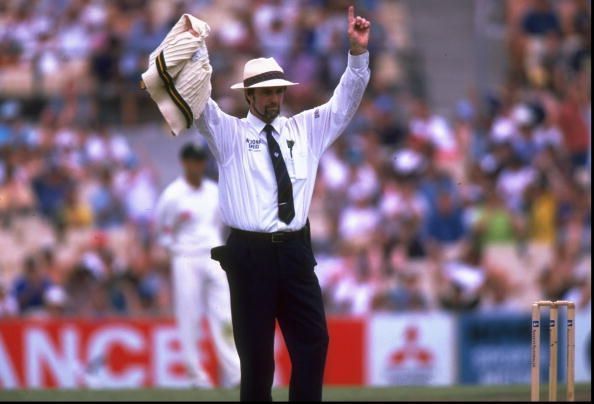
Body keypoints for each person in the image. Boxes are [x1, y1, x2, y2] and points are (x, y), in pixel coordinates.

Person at [195, 5, 370, 401]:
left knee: (314, 342)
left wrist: (357, 54)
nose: (274, 97)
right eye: (266, 91)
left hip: (295, 250)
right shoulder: (230, 134)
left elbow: (345, 102)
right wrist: (195, 55)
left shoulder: (304, 128)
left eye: (278, 90)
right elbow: (201, 108)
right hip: (249, 253)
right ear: (250, 96)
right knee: (257, 360)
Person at [154, 142, 240, 388]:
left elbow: (221, 223)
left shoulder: (214, 191)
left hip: (213, 255)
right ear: (184, 163)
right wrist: (176, 252)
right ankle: (195, 376)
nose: (198, 165)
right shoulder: (172, 195)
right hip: (185, 257)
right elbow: (162, 231)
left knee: (225, 313)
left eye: (201, 160)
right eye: (194, 160)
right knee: (189, 316)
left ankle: (235, 373)